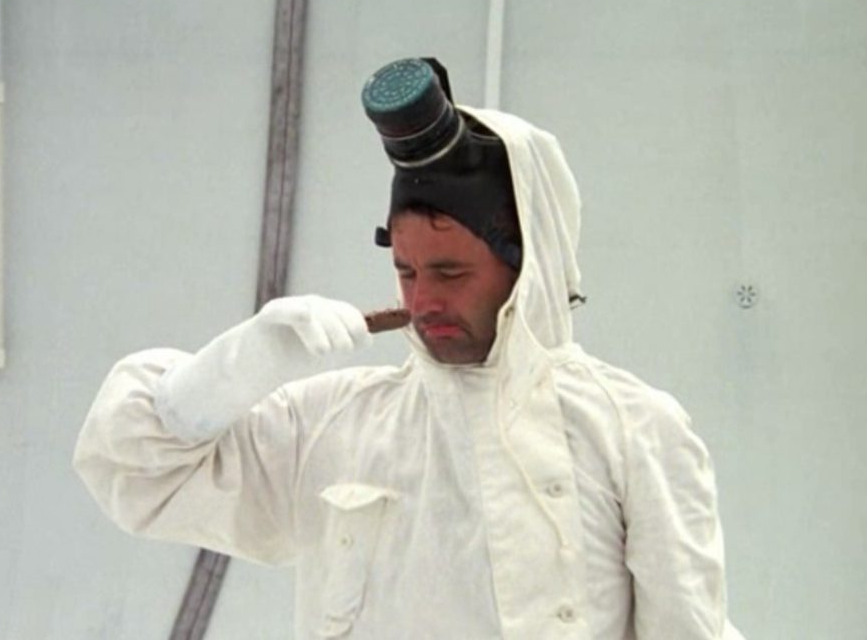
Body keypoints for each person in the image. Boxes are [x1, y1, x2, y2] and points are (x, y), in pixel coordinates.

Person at [75, 58, 743, 639]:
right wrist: (234, 371)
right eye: (406, 270)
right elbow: (136, 473)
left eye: (451, 272)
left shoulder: (633, 431)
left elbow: (689, 627)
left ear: (527, 265)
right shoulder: (336, 425)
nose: (422, 301)